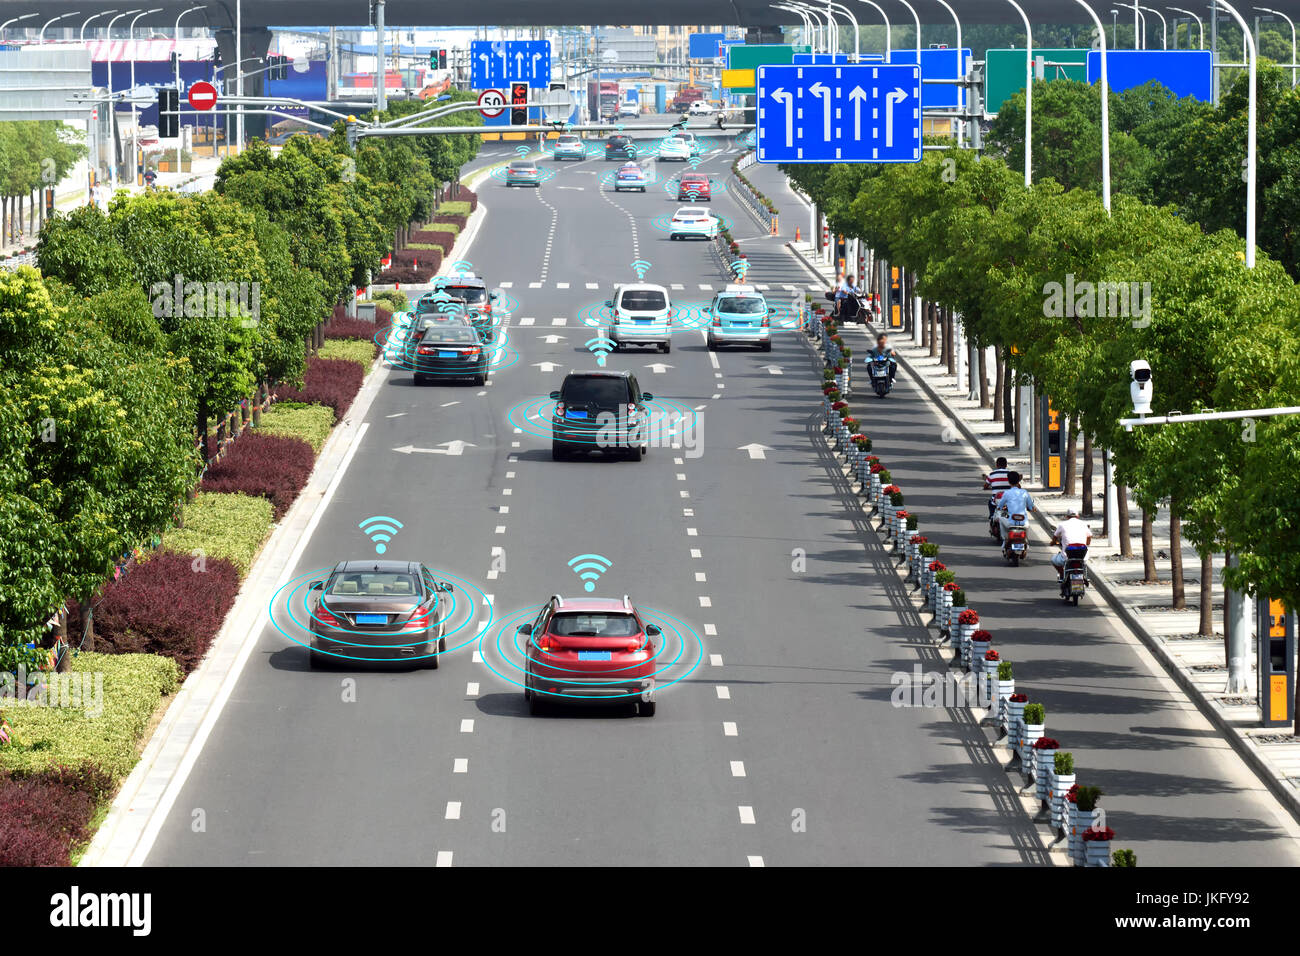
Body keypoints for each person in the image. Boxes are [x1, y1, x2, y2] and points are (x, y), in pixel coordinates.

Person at [1050, 508, 1092, 579]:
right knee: (1083, 565)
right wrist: (1087, 543)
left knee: (1053, 559)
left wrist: (1052, 543)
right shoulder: (1083, 524)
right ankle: (1084, 576)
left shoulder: (1062, 524)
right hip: (1083, 556)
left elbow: (1055, 536)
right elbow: (1089, 536)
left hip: (1066, 557)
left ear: (1067, 516)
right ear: (1078, 516)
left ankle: (1061, 574)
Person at [996, 471, 1035, 542]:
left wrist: (1001, 508)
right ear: (1018, 481)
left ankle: (1005, 539)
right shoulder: (1024, 492)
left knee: (1000, 518)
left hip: (1011, 523)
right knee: (1027, 526)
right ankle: (1026, 542)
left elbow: (999, 506)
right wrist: (1031, 508)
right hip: (1024, 522)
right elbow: (1031, 507)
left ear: (1009, 481)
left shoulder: (1007, 493)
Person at [983, 456, 1011, 520]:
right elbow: (1017, 486)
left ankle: (992, 516)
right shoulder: (1010, 474)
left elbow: (985, 486)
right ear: (1006, 465)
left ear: (997, 465)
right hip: (1009, 499)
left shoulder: (992, 474)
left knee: (991, 503)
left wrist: (988, 487)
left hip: (996, 499)